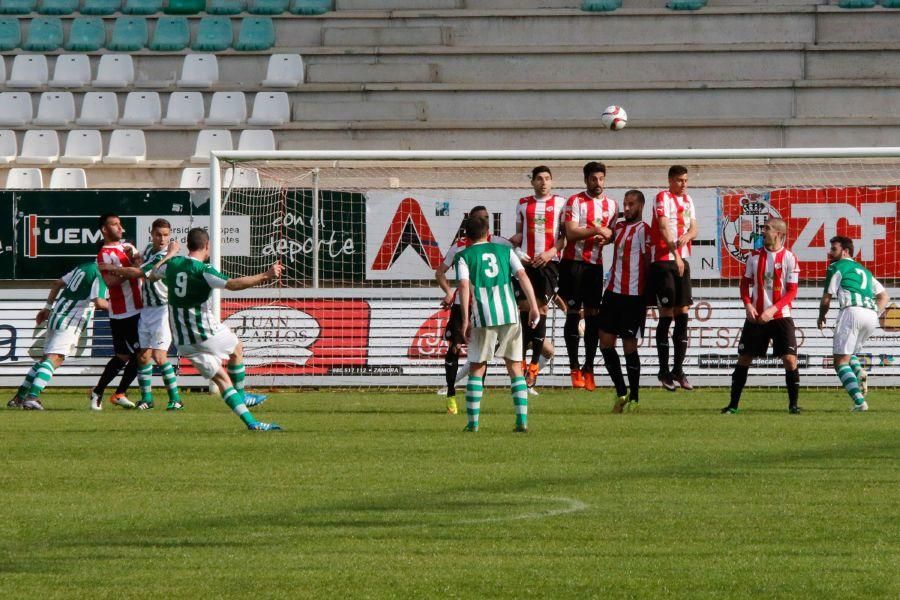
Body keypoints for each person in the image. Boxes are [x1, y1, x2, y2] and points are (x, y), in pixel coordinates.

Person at [154, 227, 283, 431]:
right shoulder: (204, 270)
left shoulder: (172, 264)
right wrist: (265, 276)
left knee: (223, 380)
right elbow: (232, 284)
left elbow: (153, 274)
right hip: (204, 332)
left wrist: (169, 254)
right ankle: (242, 395)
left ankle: (253, 424)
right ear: (206, 246)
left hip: (184, 342)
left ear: (188, 245)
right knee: (237, 348)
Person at [456, 215, 540, 433]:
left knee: (477, 367)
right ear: (488, 233)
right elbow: (522, 275)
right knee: (514, 366)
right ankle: (521, 420)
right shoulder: (505, 251)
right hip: (510, 313)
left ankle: (473, 423)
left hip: (484, 316)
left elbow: (464, 287)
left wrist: (465, 319)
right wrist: (533, 306)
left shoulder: (464, 256)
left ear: (466, 235)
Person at [98, 219, 183, 411]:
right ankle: (147, 399)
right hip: (145, 309)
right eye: (158, 234)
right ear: (151, 234)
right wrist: (133, 257)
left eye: (166, 235)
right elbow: (138, 262)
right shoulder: (147, 250)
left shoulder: (164, 254)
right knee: (143, 356)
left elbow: (138, 272)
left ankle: (176, 399)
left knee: (160, 357)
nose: (162, 239)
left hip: (162, 309)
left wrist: (110, 268)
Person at [435, 205, 512, 414]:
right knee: (454, 349)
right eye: (480, 219)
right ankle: (451, 394)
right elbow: (440, 272)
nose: (484, 222)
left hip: (486, 307)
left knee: (482, 355)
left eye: (487, 218)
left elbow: (516, 252)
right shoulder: (459, 247)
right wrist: (449, 292)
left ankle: (476, 398)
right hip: (462, 307)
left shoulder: (497, 243)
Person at [722, 218, 802, 414]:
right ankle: (733, 405)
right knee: (744, 358)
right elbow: (744, 284)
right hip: (756, 317)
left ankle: (793, 405)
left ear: (778, 234)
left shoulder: (790, 258)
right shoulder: (754, 257)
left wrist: (772, 310)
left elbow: (792, 291)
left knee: (790, 360)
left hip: (780, 316)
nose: (763, 232)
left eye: (767, 228)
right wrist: (748, 305)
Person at [8, 262, 108, 410]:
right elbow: (99, 302)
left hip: (57, 314)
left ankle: (19, 397)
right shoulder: (100, 273)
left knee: (44, 360)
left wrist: (47, 308)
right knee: (55, 359)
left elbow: (57, 283)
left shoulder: (84, 267)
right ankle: (32, 397)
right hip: (71, 320)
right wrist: (119, 308)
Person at [559, 161, 617, 390]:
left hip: (595, 266)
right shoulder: (575, 201)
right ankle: (574, 367)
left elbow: (612, 233)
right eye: (594, 179)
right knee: (573, 313)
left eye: (601, 179)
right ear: (586, 180)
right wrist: (596, 229)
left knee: (593, 316)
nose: (598, 183)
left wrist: (608, 237)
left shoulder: (612, 205)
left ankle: (589, 368)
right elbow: (571, 233)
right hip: (572, 264)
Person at [817, 235, 890, 412]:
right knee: (850, 354)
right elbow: (884, 296)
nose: (830, 252)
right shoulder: (864, 270)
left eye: (834, 249)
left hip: (852, 312)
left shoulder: (836, 266)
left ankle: (859, 402)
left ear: (845, 251)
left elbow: (826, 299)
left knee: (840, 362)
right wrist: (874, 312)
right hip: (871, 315)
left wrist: (821, 316)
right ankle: (859, 373)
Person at [512, 165, 567, 389]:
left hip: (549, 263)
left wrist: (549, 253)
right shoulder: (523, 203)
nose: (543, 182)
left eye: (547, 178)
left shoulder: (561, 203)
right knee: (525, 310)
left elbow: (564, 237)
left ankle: (534, 366)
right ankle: (522, 361)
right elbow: (518, 234)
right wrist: (515, 250)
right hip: (527, 263)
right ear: (532, 182)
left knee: (542, 310)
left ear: (551, 182)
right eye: (539, 179)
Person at [598, 190, 651, 413]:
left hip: (633, 297)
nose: (626, 208)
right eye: (624, 204)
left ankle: (635, 398)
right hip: (612, 293)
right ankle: (621, 391)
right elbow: (606, 236)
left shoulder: (644, 230)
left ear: (640, 206)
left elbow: (649, 261)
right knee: (605, 343)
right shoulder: (618, 227)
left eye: (631, 204)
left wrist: (648, 297)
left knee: (629, 345)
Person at [649, 165, 697, 391]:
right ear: (670, 180)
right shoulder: (662, 197)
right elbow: (664, 227)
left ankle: (678, 370)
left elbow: (694, 227)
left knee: (683, 313)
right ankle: (663, 371)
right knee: (666, 314)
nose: (683, 184)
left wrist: (688, 235)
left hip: (681, 261)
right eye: (679, 180)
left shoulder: (688, 200)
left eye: (685, 180)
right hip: (663, 261)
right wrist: (676, 254)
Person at [91, 213, 143, 410]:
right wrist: (128, 269)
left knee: (130, 355)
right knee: (136, 355)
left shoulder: (128, 248)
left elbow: (141, 269)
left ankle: (107, 392)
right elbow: (110, 282)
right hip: (123, 312)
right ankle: (110, 392)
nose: (120, 228)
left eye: (120, 224)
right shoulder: (104, 253)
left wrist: (128, 266)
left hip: (140, 308)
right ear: (104, 229)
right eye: (115, 224)